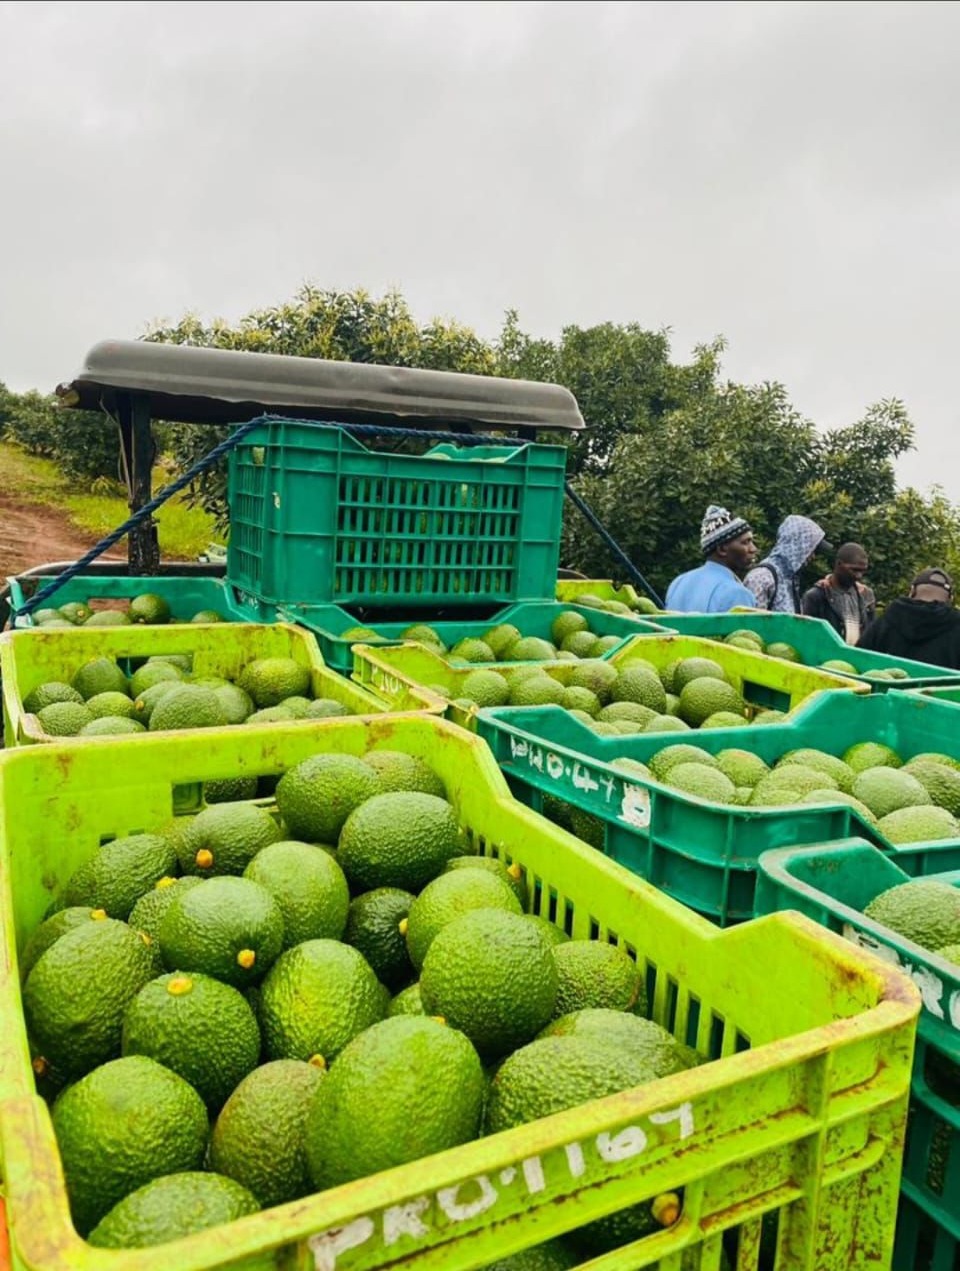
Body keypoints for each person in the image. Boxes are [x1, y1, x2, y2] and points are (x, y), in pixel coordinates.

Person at [858, 568, 960, 669]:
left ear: (912, 591)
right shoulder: (956, 626)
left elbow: (857, 659)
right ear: (950, 599)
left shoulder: (887, 619)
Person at [664, 505, 758, 613]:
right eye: (745, 542)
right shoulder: (738, 593)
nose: (753, 549)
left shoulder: (678, 583)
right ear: (722, 549)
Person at [744, 515, 832, 614]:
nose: (812, 556)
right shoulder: (762, 578)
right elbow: (751, 623)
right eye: (811, 549)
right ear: (798, 544)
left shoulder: (789, 579)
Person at [800, 543, 877, 645]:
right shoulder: (816, 596)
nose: (859, 576)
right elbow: (807, 636)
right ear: (839, 564)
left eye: (863, 571)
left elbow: (870, 635)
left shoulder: (866, 595)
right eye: (854, 570)